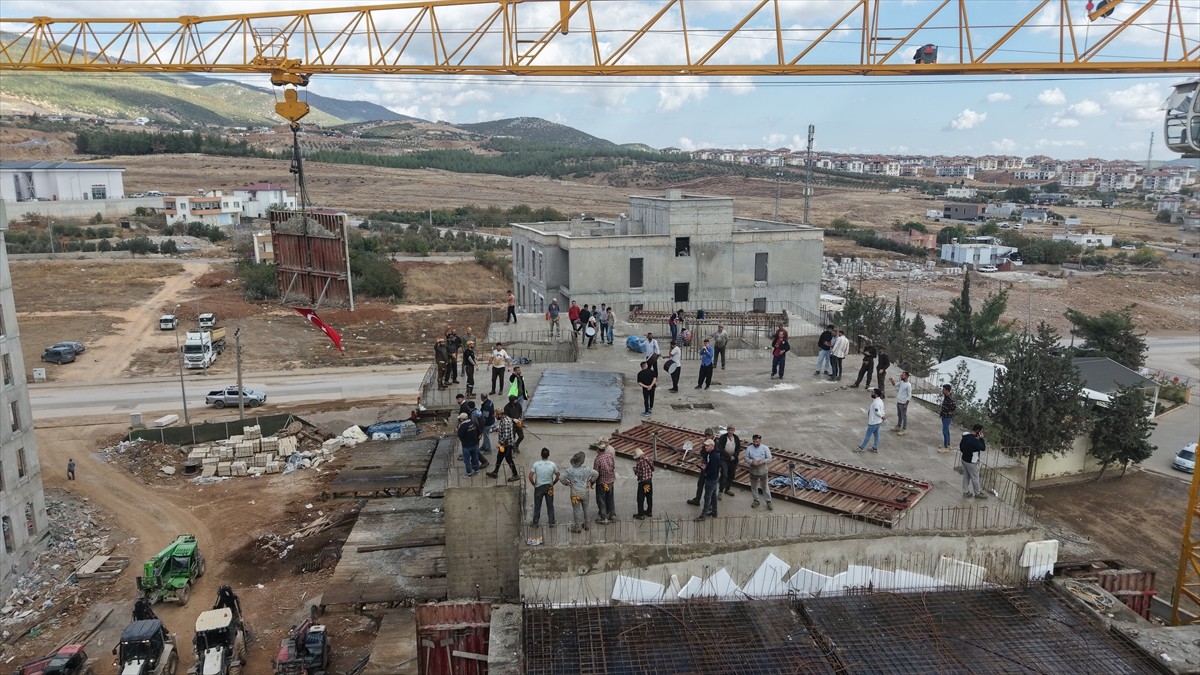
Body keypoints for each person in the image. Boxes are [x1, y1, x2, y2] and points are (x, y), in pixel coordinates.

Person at [560, 451, 599, 533]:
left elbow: (561, 478)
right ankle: (587, 525)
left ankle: (577, 527)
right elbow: (596, 474)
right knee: (586, 508)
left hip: (575, 494)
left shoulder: (569, 471)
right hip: (585, 493)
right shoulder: (587, 469)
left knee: (576, 510)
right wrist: (590, 482)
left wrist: (567, 483)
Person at [528, 448, 560, 527]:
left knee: (537, 505)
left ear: (541, 455)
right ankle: (551, 522)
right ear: (548, 455)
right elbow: (558, 475)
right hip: (549, 487)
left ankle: (535, 522)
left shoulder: (536, 464)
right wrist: (553, 483)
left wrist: (534, 484)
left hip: (538, 487)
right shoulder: (552, 464)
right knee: (550, 505)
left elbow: (530, 476)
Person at [487, 410, 520, 481]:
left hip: (507, 445)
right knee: (499, 457)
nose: (495, 417)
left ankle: (516, 475)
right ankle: (495, 472)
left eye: (496, 415)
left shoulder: (505, 422)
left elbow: (506, 435)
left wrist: (500, 443)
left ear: (500, 415)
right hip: (504, 444)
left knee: (509, 459)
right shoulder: (506, 418)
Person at [694, 439, 722, 521]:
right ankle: (714, 511)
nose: (706, 447)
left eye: (707, 446)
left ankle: (703, 515)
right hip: (714, 478)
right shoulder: (712, 454)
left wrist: (705, 472)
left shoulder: (714, 456)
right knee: (713, 495)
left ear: (712, 446)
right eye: (705, 445)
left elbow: (713, 470)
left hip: (711, 479)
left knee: (707, 497)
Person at [744, 435, 773, 510]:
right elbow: (746, 457)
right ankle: (756, 500)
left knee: (765, 487)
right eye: (754, 441)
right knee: (754, 486)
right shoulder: (749, 448)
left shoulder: (765, 448)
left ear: (760, 441)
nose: (755, 443)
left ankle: (768, 501)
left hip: (763, 471)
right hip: (753, 471)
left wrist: (762, 461)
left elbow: (769, 458)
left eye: (757, 441)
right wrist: (751, 461)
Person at [960, 424, 988, 500]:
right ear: (978, 431)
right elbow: (982, 448)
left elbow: (961, 447)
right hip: (972, 461)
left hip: (964, 459)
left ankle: (965, 492)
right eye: (981, 431)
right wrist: (981, 439)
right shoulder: (975, 441)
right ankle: (978, 493)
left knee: (966, 475)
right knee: (975, 477)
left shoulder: (965, 437)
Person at [855, 388, 886, 453]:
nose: (871, 393)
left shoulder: (876, 403)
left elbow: (877, 412)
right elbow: (882, 410)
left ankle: (861, 447)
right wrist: (882, 415)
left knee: (868, 435)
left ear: (876, 395)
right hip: (878, 422)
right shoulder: (880, 401)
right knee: (876, 434)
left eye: (873, 392)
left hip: (873, 422)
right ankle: (875, 448)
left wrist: (882, 416)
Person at [593, 442, 616, 523]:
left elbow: (596, 473)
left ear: (597, 450)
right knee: (610, 498)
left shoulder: (597, 459)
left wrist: (591, 482)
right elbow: (613, 467)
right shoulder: (610, 456)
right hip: (610, 481)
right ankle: (612, 515)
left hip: (601, 483)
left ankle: (604, 517)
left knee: (601, 500)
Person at [716, 425, 741, 496]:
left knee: (731, 475)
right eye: (729, 430)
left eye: (732, 430)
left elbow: (738, 448)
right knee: (724, 474)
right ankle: (720, 490)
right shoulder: (723, 437)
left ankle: (728, 489)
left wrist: (734, 456)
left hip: (733, 459)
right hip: (724, 458)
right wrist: (728, 456)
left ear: (734, 431)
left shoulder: (736, 438)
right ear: (727, 430)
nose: (730, 432)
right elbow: (721, 448)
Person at [632, 448, 654, 520]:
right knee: (649, 497)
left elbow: (638, 474)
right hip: (649, 482)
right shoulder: (649, 459)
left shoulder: (640, 463)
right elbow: (652, 469)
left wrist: (635, 470)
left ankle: (641, 514)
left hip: (643, 483)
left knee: (640, 499)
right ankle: (649, 511)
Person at [890, 371, 912, 435]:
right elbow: (895, 385)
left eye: (903, 375)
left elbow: (909, 395)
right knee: (899, 415)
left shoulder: (908, 385)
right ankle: (898, 426)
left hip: (903, 403)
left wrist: (906, 404)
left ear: (907, 376)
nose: (901, 376)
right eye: (901, 375)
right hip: (899, 401)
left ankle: (904, 429)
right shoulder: (901, 382)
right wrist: (892, 380)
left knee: (904, 416)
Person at [938, 384, 957, 453]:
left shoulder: (950, 398)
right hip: (944, 415)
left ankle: (946, 447)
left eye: (944, 390)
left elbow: (954, 406)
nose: (943, 391)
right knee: (947, 431)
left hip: (947, 417)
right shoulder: (945, 396)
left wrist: (950, 412)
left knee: (945, 431)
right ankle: (947, 444)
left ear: (947, 390)